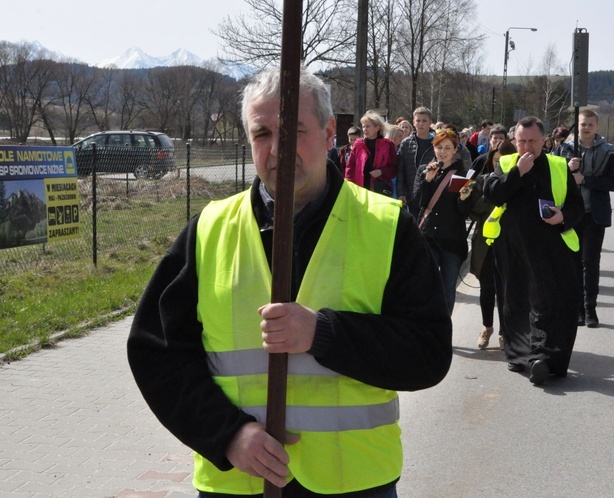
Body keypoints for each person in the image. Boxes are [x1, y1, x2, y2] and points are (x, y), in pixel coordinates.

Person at [127, 66, 453, 497]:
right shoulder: (208, 231)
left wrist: (323, 333)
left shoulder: (387, 227)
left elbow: (427, 353)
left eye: (294, 130)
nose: (277, 148)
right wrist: (227, 435)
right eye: (262, 134)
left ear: (329, 132)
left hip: (354, 482)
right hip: (239, 483)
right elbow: (157, 352)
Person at [483, 116, 584, 386]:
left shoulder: (558, 166)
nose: (527, 147)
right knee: (517, 302)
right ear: (514, 141)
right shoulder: (505, 163)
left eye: (532, 141)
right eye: (521, 141)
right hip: (514, 248)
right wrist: (517, 172)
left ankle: (544, 358)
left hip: (552, 246)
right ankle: (524, 357)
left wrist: (563, 216)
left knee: (551, 302)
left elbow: (577, 207)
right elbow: (492, 194)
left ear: (544, 141)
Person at [561, 109, 614, 327]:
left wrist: (585, 179)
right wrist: (567, 170)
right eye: (582, 124)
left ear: (596, 127)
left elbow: (613, 183)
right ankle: (576, 309)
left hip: (594, 215)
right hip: (570, 215)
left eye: (590, 125)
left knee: (590, 263)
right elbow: (554, 179)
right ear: (577, 126)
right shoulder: (565, 149)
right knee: (573, 263)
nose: (586, 128)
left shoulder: (607, 152)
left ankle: (590, 310)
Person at [413, 129, 472, 315]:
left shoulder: (463, 174)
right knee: (425, 288)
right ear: (434, 148)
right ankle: (426, 331)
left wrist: (464, 199)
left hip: (452, 241)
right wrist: (427, 182)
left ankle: (443, 334)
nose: (443, 151)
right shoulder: (424, 169)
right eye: (439, 147)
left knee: (447, 291)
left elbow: (464, 212)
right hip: (428, 236)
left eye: (448, 147)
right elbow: (418, 203)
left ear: (455, 150)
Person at [468, 139, 517, 350]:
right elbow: (473, 210)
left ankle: (505, 332)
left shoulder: (518, 182)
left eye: (504, 161)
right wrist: (491, 195)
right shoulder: (482, 181)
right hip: (486, 243)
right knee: (487, 288)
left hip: (510, 244)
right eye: (496, 161)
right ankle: (487, 327)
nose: (500, 165)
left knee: (506, 290)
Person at [345, 111, 398, 196]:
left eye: (368, 126)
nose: (365, 129)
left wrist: (381, 172)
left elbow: (394, 168)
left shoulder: (388, 144)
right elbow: (350, 168)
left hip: (380, 191)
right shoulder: (358, 144)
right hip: (360, 191)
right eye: (363, 126)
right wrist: (349, 186)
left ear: (377, 128)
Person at [397, 106, 436, 214]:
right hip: (410, 194)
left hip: (431, 193)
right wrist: (401, 193)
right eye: (418, 120)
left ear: (430, 122)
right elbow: (401, 170)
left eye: (424, 121)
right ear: (413, 122)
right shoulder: (406, 143)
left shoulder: (437, 144)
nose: (420, 124)